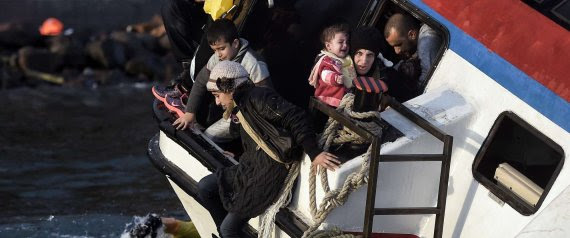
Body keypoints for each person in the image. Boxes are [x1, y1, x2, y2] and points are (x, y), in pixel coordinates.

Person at [198, 60, 339, 237]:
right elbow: (254, 137)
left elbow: (296, 118)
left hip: (270, 172)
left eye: (217, 95)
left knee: (229, 229)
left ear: (230, 89)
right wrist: (237, 153)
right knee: (205, 187)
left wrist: (314, 153)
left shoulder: (258, 98)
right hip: (251, 167)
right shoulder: (239, 108)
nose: (217, 102)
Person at [164, 18, 271, 143]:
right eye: (214, 50)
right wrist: (190, 112)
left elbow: (267, 98)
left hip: (250, 115)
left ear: (235, 43)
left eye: (221, 48)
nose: (218, 54)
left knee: (210, 136)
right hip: (229, 108)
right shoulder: (217, 58)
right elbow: (200, 82)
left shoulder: (253, 64)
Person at [384, 13, 442, 92]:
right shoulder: (416, 43)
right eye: (393, 47)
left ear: (412, 34)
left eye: (398, 45)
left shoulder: (426, 40)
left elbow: (427, 80)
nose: (396, 51)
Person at [308, 22, 356, 108]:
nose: (345, 45)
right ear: (329, 46)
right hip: (328, 99)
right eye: (341, 42)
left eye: (347, 42)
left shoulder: (347, 60)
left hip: (345, 99)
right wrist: (335, 78)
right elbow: (325, 74)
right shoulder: (327, 60)